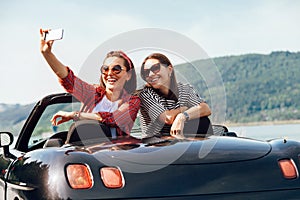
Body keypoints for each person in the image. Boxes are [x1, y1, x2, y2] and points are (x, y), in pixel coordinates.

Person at [40, 29, 140, 138]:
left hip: (115, 153)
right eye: (105, 69)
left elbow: (113, 119)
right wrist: (47, 54)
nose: (110, 73)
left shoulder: (133, 101)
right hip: (83, 153)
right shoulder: (92, 93)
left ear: (129, 75)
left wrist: (74, 115)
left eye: (116, 69)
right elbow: (69, 80)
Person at [139, 53, 212, 139]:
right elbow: (167, 118)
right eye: (146, 72)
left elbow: (205, 109)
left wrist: (182, 116)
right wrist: (184, 109)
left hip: (183, 141)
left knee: (203, 121)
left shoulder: (185, 89)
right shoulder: (145, 94)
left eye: (155, 68)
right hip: (156, 146)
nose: (150, 74)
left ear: (169, 70)